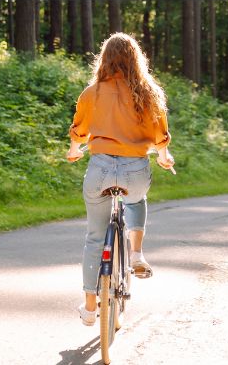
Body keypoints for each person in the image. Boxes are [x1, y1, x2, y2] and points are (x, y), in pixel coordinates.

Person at [66, 33, 175, 326]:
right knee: (136, 200)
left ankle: (90, 306)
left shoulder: (93, 92)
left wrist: (75, 150)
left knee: (94, 236)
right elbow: (160, 134)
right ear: (135, 59)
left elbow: (79, 130)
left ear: (105, 59)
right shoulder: (149, 92)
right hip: (135, 169)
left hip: (100, 168)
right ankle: (136, 253)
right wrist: (164, 157)